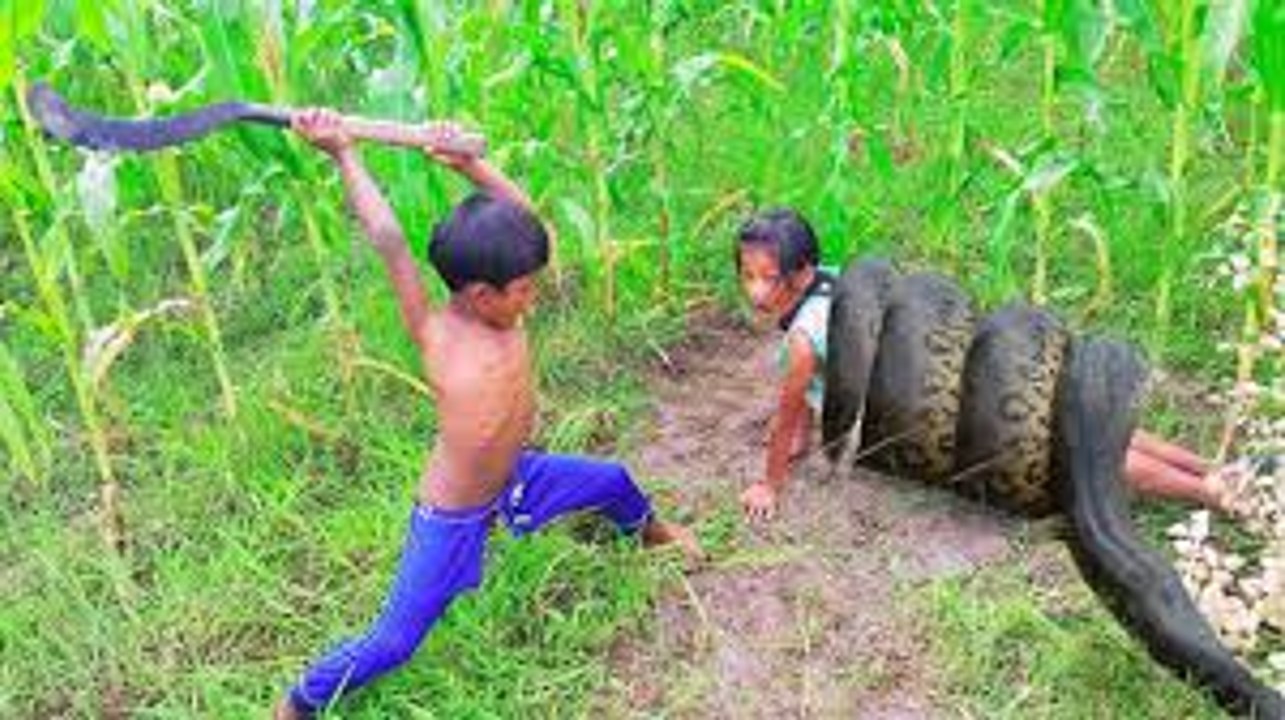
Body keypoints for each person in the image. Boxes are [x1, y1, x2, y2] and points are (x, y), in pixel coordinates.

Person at [276, 109, 701, 718]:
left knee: (611, 480)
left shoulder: (508, 306)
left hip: (517, 475)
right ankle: (299, 702)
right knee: (396, 640)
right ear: (481, 294)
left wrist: (469, 164)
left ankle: (653, 536)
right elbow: (390, 241)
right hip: (453, 513)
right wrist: (343, 152)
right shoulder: (440, 336)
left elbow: (528, 224)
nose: (536, 292)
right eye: (526, 286)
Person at [733, 207, 1248, 522]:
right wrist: (806, 438)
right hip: (969, 359)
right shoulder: (837, 277)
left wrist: (769, 483)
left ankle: (1215, 492)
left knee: (1073, 455)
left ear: (800, 274)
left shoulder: (802, 339)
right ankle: (1219, 472)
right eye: (748, 275)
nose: (755, 291)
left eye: (766, 278)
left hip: (953, 404)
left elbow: (788, 412)